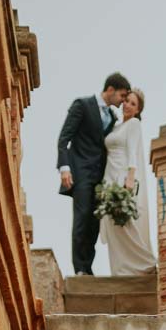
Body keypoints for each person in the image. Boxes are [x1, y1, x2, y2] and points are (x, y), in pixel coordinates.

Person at [57, 71, 131, 274]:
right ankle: (80, 268)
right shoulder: (82, 105)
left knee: (94, 223)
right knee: (81, 219)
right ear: (110, 90)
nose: (123, 101)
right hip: (80, 173)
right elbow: (64, 138)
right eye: (122, 96)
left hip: (101, 177)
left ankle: (88, 267)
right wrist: (64, 168)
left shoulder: (113, 116)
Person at [101, 88, 156, 275]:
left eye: (133, 104)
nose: (127, 105)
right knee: (112, 223)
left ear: (138, 110)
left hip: (122, 176)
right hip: (109, 176)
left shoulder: (133, 124)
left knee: (125, 221)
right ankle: (120, 269)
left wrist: (130, 177)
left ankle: (146, 263)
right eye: (127, 101)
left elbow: (132, 152)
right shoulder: (115, 126)